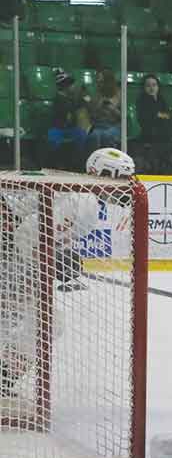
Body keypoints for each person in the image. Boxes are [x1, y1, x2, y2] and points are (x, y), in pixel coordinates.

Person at [1, 148, 139, 397]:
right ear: (101, 173)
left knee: (41, 322)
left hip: (16, 267)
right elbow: (27, 236)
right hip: (13, 269)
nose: (124, 186)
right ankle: (4, 378)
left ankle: (4, 377)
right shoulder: (81, 202)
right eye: (119, 177)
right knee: (47, 323)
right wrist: (53, 260)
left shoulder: (80, 195)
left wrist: (55, 259)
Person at [47, 68, 91, 170]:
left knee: (81, 134)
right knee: (53, 139)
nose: (73, 87)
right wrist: (81, 99)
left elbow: (80, 109)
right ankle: (55, 165)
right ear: (65, 86)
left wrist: (84, 99)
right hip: (58, 128)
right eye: (71, 85)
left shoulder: (72, 98)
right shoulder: (58, 98)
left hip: (71, 129)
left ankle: (77, 164)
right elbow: (66, 111)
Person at [135, 74, 172, 174]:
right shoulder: (141, 100)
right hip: (149, 135)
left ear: (158, 87)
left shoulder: (162, 100)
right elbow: (146, 119)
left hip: (165, 135)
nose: (151, 88)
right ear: (144, 88)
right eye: (148, 85)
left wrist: (159, 115)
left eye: (154, 85)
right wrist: (159, 115)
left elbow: (169, 116)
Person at [87, 68, 122, 151]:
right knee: (94, 137)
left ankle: (109, 162)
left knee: (106, 136)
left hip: (114, 126)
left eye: (101, 81)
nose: (99, 83)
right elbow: (92, 117)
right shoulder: (96, 94)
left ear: (108, 82)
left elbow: (123, 117)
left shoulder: (119, 94)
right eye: (98, 81)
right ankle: (94, 162)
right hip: (99, 126)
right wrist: (98, 106)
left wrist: (112, 108)